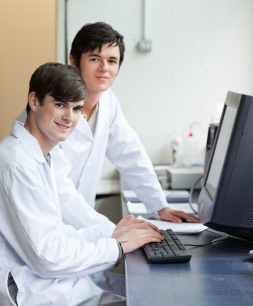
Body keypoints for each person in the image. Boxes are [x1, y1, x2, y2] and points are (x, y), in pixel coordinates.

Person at [0, 62, 163, 306]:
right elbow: (48, 256)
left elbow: (61, 225)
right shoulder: (17, 162)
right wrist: (116, 246)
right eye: (60, 105)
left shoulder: (45, 155)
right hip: (34, 291)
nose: (69, 117)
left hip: (57, 283)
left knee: (149, 293)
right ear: (34, 102)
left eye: (76, 108)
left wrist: (112, 234)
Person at [62, 22, 198, 223]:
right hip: (47, 220)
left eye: (112, 61)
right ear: (73, 61)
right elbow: (55, 185)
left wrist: (160, 206)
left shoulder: (108, 102)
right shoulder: (54, 106)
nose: (104, 68)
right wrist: (107, 230)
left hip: (78, 223)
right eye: (94, 59)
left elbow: (131, 154)